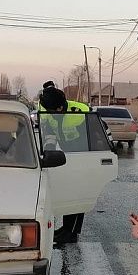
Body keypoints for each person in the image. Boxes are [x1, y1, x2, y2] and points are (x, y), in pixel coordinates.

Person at [38, 80, 90, 244]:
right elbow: (48, 132)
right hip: (66, 156)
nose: (55, 112)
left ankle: (72, 233)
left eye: (57, 109)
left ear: (62, 105)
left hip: (83, 156)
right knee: (68, 193)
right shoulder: (46, 109)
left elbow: (98, 134)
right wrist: (49, 151)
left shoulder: (80, 111)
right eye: (52, 111)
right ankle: (66, 228)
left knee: (78, 195)